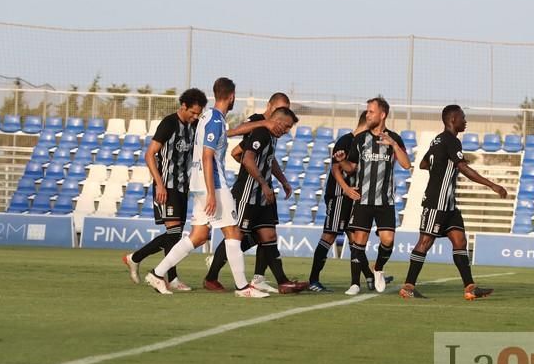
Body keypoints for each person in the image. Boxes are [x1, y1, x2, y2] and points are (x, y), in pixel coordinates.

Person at [144, 77, 268, 297]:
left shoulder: (207, 117)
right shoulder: (215, 121)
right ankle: (242, 287)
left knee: (199, 234)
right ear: (231, 97)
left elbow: (221, 140)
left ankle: (157, 273)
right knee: (233, 232)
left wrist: (261, 124)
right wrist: (212, 192)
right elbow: (207, 156)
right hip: (213, 184)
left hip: (198, 184)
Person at [398, 105, 507, 300]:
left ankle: (470, 287)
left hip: (449, 203)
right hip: (436, 201)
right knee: (425, 242)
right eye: (463, 118)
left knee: (460, 241)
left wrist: (439, 164)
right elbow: (463, 168)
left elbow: (424, 163)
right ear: (453, 119)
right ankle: (408, 286)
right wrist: (492, 185)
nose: (465, 121)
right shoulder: (451, 140)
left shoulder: (438, 140)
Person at [203, 106, 308, 294]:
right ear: (277, 120)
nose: (286, 132)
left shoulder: (271, 137)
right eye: (286, 127)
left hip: (261, 196)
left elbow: (267, 160)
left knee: (269, 237)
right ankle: (213, 277)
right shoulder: (261, 132)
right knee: (236, 236)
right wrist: (262, 182)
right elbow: (247, 159)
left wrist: (282, 181)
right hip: (248, 193)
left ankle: (282, 282)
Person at [122, 88, 207, 291]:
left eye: (198, 114)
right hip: (166, 186)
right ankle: (135, 257)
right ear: (183, 106)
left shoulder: (193, 126)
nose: (195, 116)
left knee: (175, 235)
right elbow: (149, 154)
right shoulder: (169, 123)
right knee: (174, 233)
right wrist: (159, 183)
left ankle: (173, 278)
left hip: (182, 187)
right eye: (193, 112)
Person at [336, 97, 412, 295]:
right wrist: (343, 162)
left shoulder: (394, 138)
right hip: (363, 200)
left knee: (388, 240)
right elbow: (351, 168)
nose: (367, 114)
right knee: (358, 242)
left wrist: (394, 145)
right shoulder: (360, 139)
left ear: (383, 114)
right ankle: (355, 284)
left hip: (384, 201)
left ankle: (378, 268)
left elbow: (406, 164)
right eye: (367, 111)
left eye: (371, 111)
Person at [307, 111, 376, 292]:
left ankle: (369, 276)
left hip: (351, 198)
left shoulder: (363, 143)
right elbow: (335, 168)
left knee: (355, 240)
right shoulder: (346, 141)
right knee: (329, 236)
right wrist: (345, 189)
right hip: (339, 196)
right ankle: (313, 280)